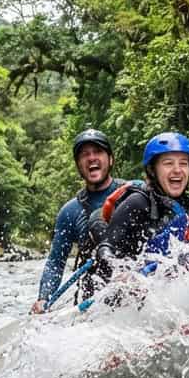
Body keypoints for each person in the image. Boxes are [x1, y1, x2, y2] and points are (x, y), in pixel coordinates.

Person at [93, 132, 189, 280]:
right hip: (142, 287)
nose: (177, 170)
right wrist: (121, 272)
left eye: (183, 163)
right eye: (168, 163)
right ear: (152, 170)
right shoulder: (137, 204)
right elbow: (106, 249)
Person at [32, 129, 127, 313]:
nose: (91, 158)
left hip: (134, 283)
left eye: (98, 152)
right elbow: (56, 262)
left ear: (111, 159)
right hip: (93, 300)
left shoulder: (133, 193)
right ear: (78, 165)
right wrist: (44, 298)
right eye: (85, 155)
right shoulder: (70, 212)